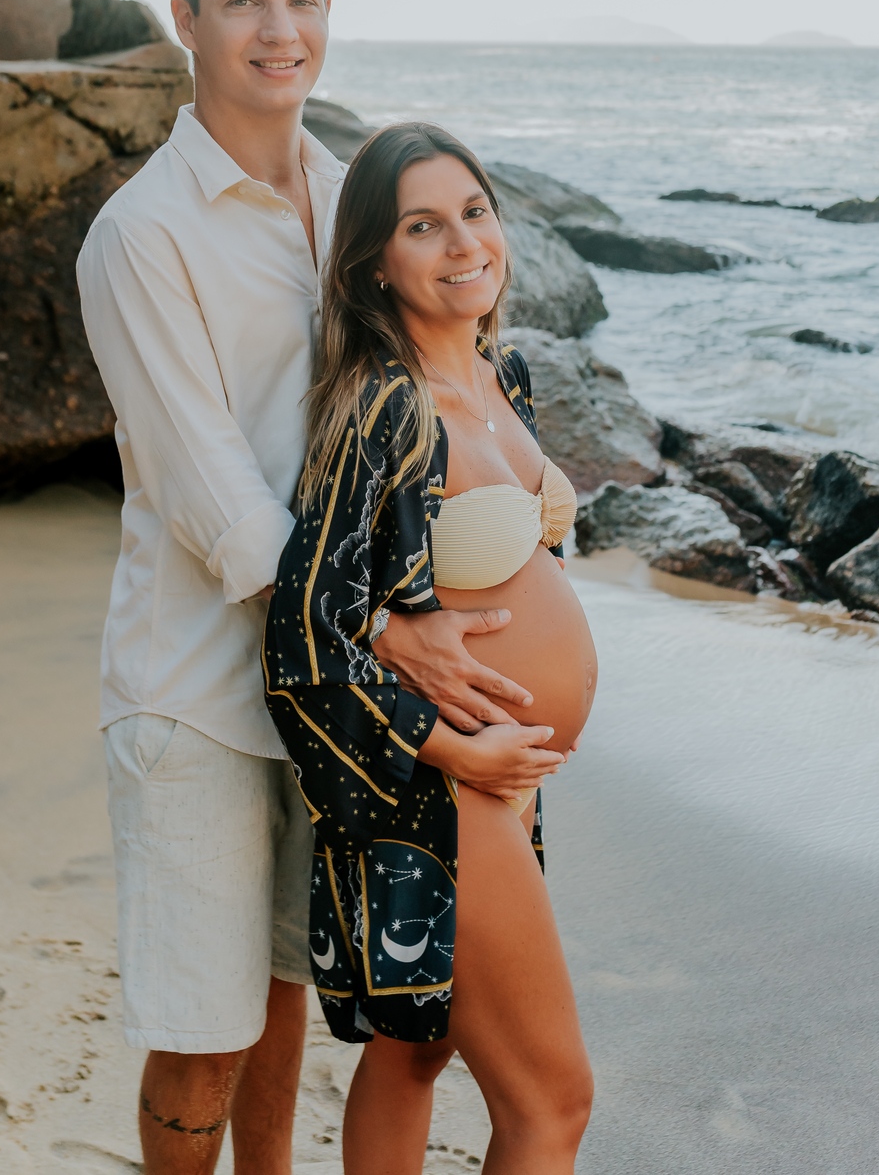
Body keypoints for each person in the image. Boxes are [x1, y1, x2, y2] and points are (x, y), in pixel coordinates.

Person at [78, 0, 537, 1175]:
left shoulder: (354, 202)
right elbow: (207, 493)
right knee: (205, 1037)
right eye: (244, 2)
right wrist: (385, 625)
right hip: (198, 689)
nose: (281, 31)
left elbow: (423, 403)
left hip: (331, 693)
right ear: (186, 21)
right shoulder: (142, 234)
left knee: (288, 998)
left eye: (303, 1)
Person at [264, 121, 597, 1175]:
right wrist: (454, 752)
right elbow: (304, 637)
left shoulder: (507, 380)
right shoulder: (383, 408)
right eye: (423, 225)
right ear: (374, 261)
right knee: (553, 1100)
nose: (463, 244)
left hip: (506, 784)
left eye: (474, 212)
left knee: (421, 1048)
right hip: (439, 789)